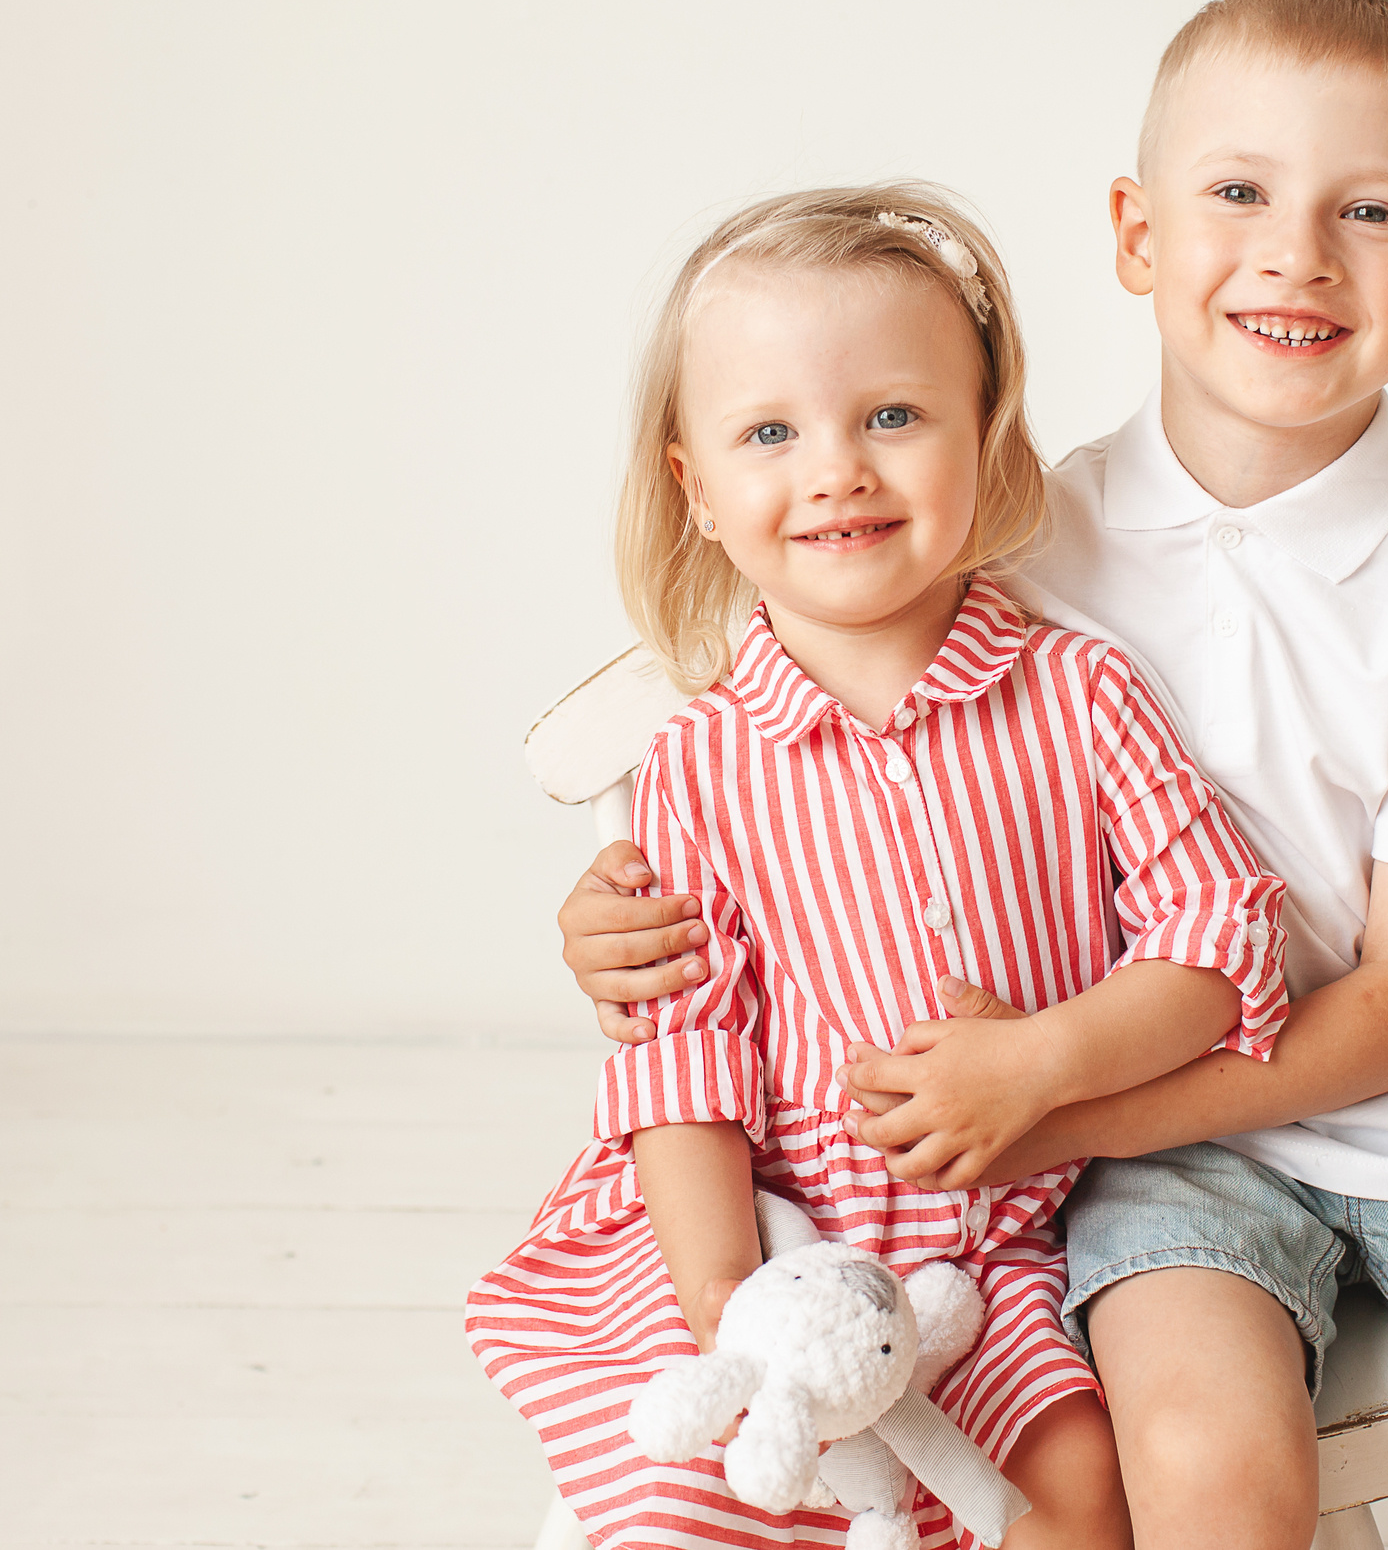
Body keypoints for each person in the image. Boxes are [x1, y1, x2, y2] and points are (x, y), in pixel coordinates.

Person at [559, 0, 1388, 1550]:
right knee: (1205, 1479)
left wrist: (1059, 1100)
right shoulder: (1019, 533)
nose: (1296, 254)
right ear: (1138, 237)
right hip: (1173, 1145)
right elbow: (801, 721)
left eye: (1366, 211)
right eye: (1239, 192)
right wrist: (614, 913)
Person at [467, 184, 1293, 1550]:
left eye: (893, 416)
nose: (838, 466)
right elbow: (683, 1054)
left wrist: (1045, 1058)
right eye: (772, 433)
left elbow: (1219, 937)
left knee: (1075, 1487)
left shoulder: (1079, 695)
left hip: (994, 1248)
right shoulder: (702, 766)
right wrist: (732, 1298)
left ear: (987, 438)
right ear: (701, 490)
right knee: (695, 1494)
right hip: (772, 1229)